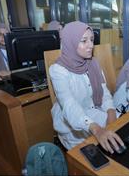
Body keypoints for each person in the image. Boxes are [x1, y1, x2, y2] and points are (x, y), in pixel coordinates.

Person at [49, 21, 124, 153]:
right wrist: (97, 129)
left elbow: (104, 93)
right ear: (70, 43)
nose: (91, 45)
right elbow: (69, 106)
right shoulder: (57, 70)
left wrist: (111, 116)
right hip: (72, 126)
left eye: (91, 39)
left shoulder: (93, 63)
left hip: (93, 112)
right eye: (84, 41)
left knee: (123, 132)